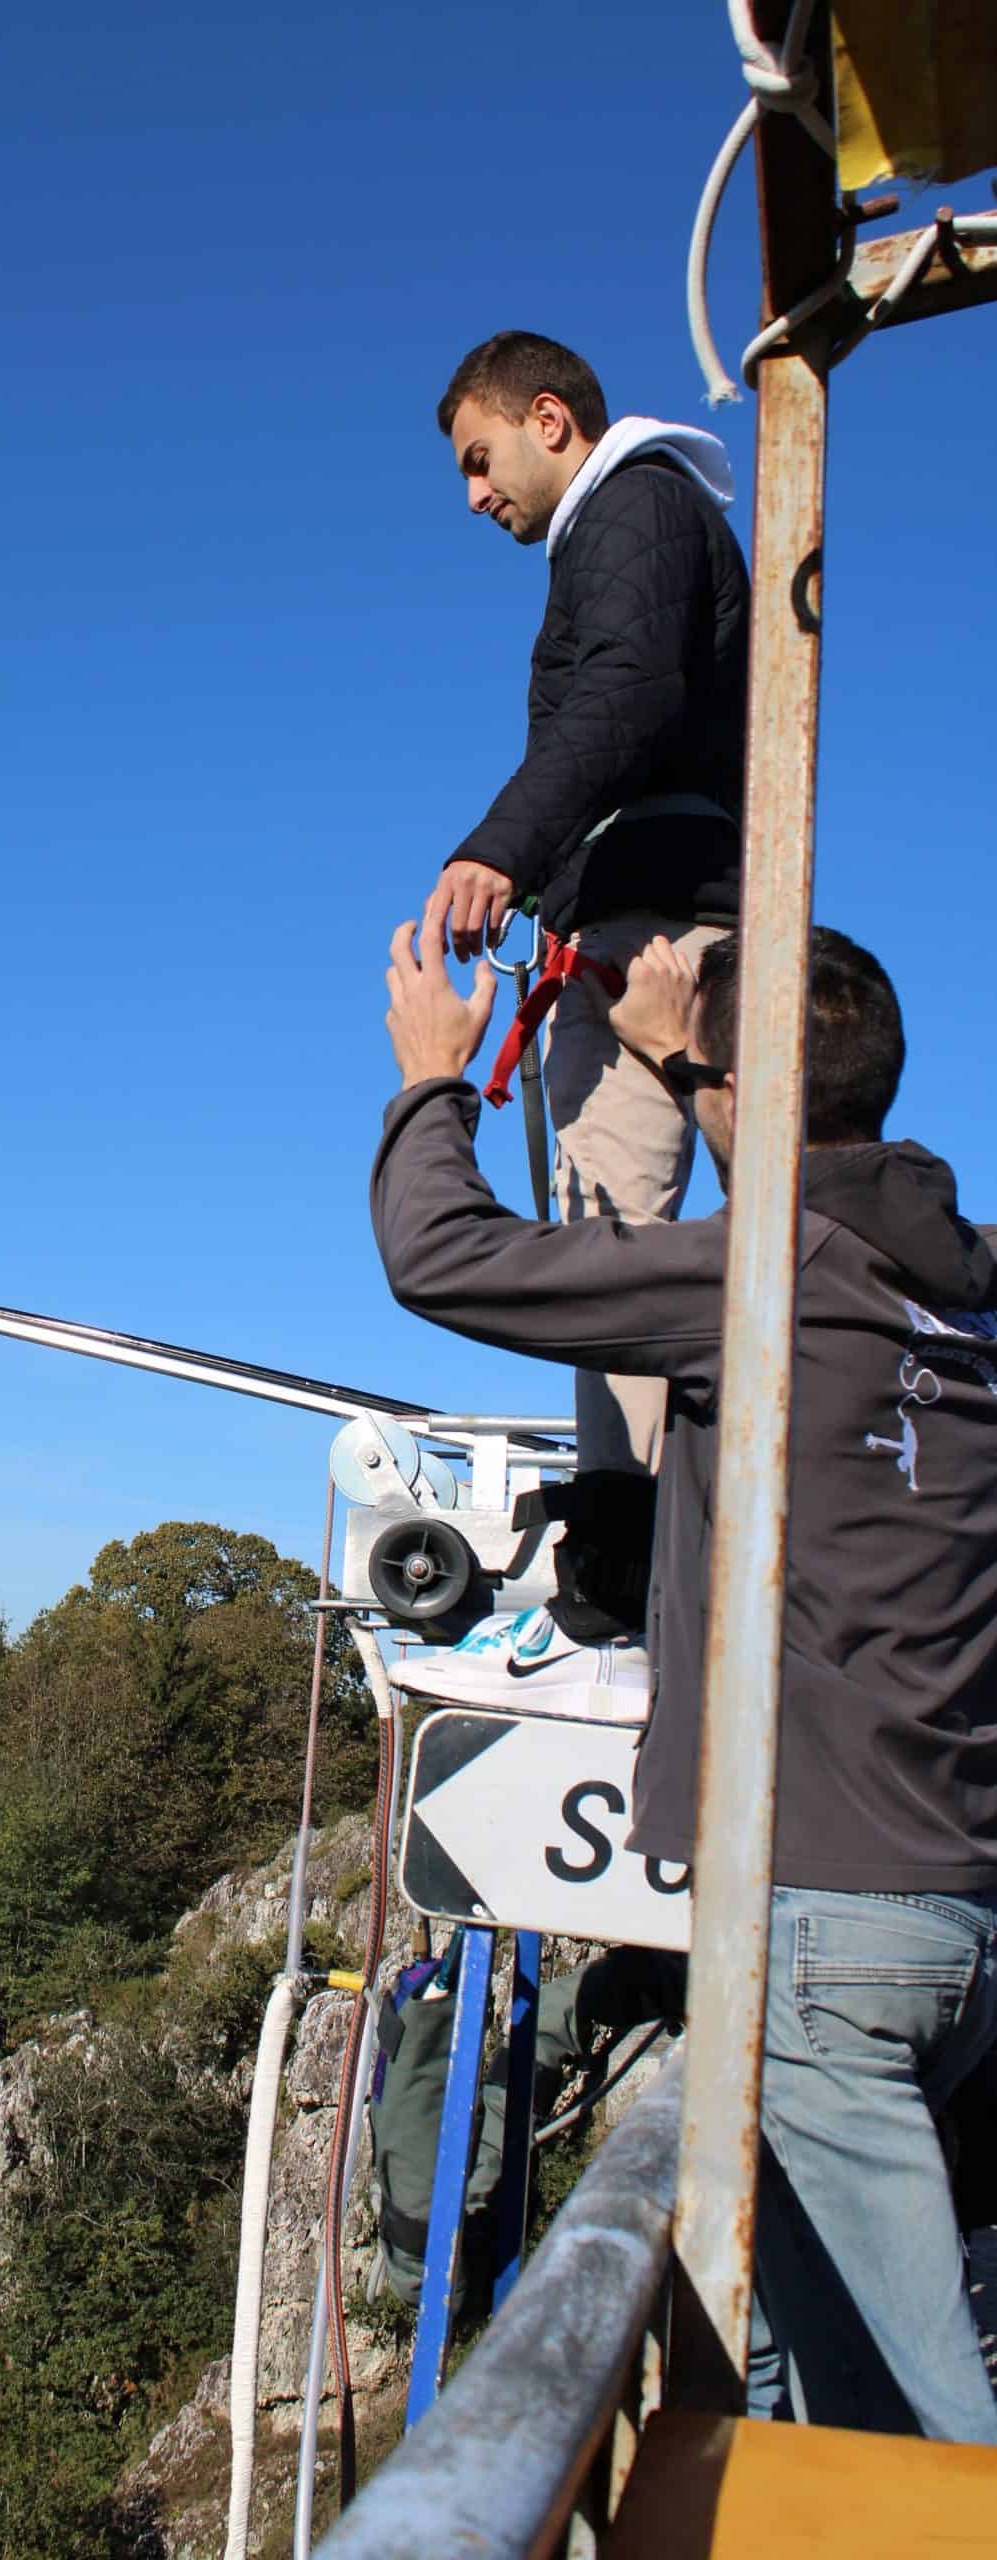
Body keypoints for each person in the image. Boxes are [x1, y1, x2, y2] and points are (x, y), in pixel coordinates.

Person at [371, 896, 997, 2441]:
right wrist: (693, 1054)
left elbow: (444, 1256)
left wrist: (434, 1079)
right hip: (961, 1910)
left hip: (818, 1914)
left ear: (736, 1097)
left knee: (920, 2439)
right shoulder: (965, 1287)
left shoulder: (759, 1281)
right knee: (792, 2362)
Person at [422, 331, 750, 1712]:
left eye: (479, 459)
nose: (474, 495)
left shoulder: (634, 507)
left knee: (610, 1252)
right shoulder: (641, 521)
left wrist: (500, 848)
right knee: (688, 1242)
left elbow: (626, 694)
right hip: (663, 918)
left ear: (548, 420)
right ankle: (651, 1576)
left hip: (653, 938)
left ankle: (620, 1595)